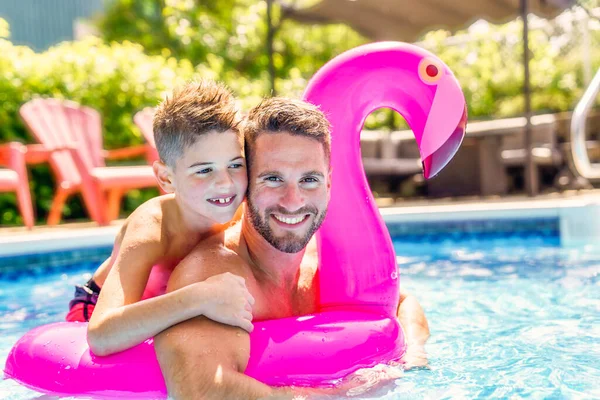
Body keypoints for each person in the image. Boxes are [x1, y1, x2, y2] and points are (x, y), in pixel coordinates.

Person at [154, 97, 430, 399]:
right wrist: (341, 394)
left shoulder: (326, 257)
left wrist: (413, 357)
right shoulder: (213, 275)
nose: (293, 201)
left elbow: (401, 302)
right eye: (273, 179)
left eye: (309, 180)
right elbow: (200, 391)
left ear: (328, 183)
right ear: (245, 183)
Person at [68, 80, 256, 356]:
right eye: (204, 171)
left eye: (235, 165)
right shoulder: (153, 228)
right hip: (96, 309)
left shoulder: (245, 211)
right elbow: (100, 335)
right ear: (166, 178)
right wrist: (201, 297)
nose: (226, 183)